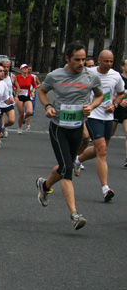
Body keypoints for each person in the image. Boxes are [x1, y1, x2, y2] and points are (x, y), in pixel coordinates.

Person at [36, 42, 103, 230]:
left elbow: (99, 95)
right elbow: (42, 91)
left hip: (77, 128)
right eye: (77, 60)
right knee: (67, 169)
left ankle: (45, 185)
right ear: (67, 58)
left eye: (83, 59)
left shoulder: (91, 76)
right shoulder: (55, 75)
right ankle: (75, 214)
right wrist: (48, 106)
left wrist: (92, 106)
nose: (81, 63)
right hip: (58, 128)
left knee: (66, 165)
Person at [74, 50, 124, 202]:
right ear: (99, 60)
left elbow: (121, 93)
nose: (108, 64)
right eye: (106, 61)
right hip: (92, 115)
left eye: (111, 61)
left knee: (99, 150)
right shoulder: (89, 73)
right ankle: (105, 188)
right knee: (102, 150)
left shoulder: (116, 76)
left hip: (108, 116)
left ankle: (77, 160)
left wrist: (114, 105)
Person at [112, 58, 127, 168]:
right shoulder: (118, 79)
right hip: (116, 109)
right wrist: (118, 100)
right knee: (109, 134)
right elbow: (109, 93)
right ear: (123, 67)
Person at [0, 59, 20, 138]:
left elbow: (18, 87)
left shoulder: (12, 76)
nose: (6, 69)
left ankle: (4, 127)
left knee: (12, 120)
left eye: (7, 67)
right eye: (4, 66)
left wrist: (16, 96)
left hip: (9, 101)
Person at [15, 64, 37, 134]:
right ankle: (19, 128)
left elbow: (35, 86)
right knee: (21, 113)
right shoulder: (17, 77)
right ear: (21, 70)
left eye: (26, 68)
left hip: (27, 96)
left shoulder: (31, 77)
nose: (25, 69)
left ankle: (25, 117)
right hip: (20, 96)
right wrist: (17, 89)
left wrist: (32, 92)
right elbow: (13, 86)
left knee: (30, 111)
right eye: (24, 68)